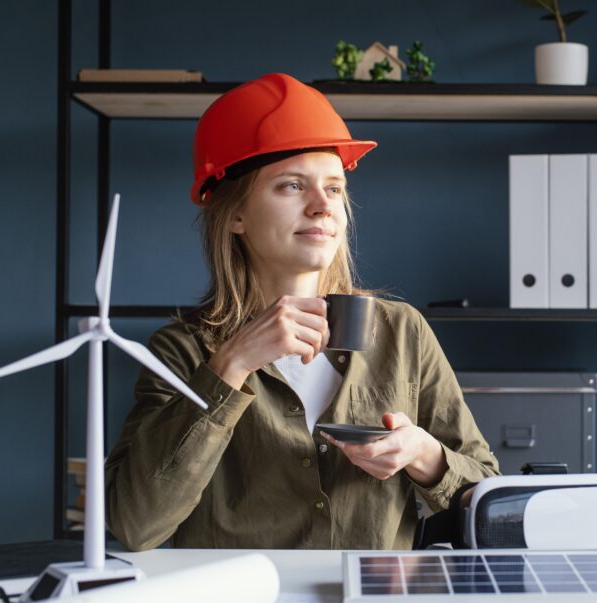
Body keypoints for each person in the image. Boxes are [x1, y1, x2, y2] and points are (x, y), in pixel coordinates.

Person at [104, 73, 500, 552]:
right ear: (235, 216)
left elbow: (486, 491)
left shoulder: (403, 332)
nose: (321, 207)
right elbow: (134, 525)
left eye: (334, 188)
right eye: (292, 186)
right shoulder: (183, 350)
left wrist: (424, 454)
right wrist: (231, 365)